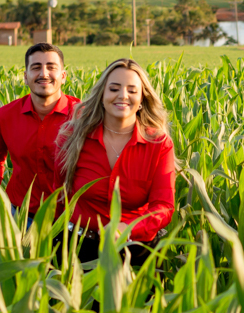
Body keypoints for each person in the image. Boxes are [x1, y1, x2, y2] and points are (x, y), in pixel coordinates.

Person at [54, 58, 177, 264]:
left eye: (132, 90)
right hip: (79, 249)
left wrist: (127, 227)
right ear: (102, 95)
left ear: (142, 98)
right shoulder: (71, 137)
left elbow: (163, 206)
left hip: (137, 251)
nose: (123, 95)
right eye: (114, 89)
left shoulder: (159, 144)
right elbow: (59, 195)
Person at [0, 42, 79, 215]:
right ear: (25, 77)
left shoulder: (83, 117)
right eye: (36, 67)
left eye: (51, 67)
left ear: (63, 76)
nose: (44, 74)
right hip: (19, 215)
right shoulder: (5, 116)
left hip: (70, 219)